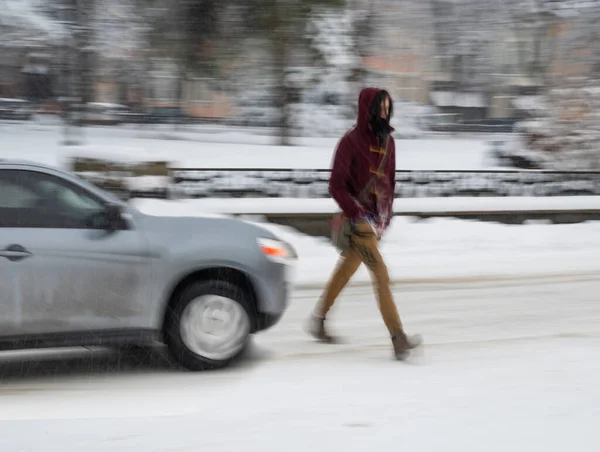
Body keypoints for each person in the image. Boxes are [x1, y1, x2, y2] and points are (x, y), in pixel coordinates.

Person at [305, 87, 421, 360]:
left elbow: (389, 183)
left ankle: (318, 319)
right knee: (381, 274)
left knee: (345, 271)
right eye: (380, 108)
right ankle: (398, 338)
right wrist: (357, 213)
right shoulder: (351, 141)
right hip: (358, 223)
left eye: (388, 108)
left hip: (375, 222)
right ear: (367, 109)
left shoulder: (388, 143)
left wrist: (386, 216)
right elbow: (335, 186)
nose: (384, 113)